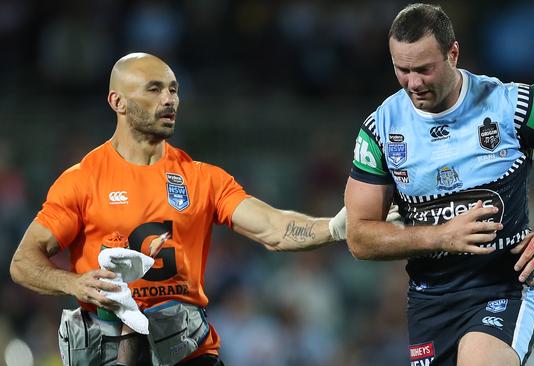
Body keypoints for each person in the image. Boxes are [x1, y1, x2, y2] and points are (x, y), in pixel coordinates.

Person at [9, 52, 352, 366]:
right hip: (111, 351)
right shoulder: (83, 180)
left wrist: (337, 227)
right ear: (118, 101)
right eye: (155, 89)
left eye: (173, 90)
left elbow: (272, 228)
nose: (169, 99)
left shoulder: (202, 179)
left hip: (189, 355)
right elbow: (24, 261)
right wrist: (74, 284)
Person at [344, 4, 534, 366]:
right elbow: (360, 237)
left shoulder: (513, 105)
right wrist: (441, 236)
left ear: (453, 53)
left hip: (501, 287)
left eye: (424, 69)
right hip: (429, 300)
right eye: (402, 70)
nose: (414, 82)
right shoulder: (380, 129)